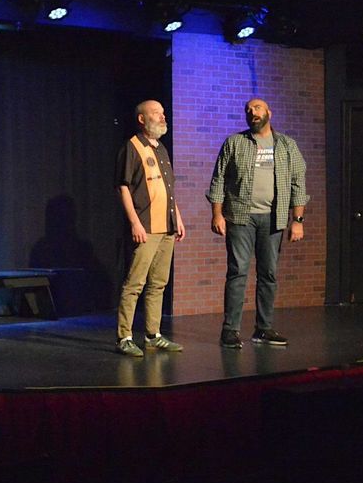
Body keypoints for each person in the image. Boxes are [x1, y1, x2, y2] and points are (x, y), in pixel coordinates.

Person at [207, 97, 309, 348]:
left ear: (269, 113)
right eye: (248, 110)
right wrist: (217, 214)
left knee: (269, 274)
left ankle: (263, 329)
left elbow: (298, 183)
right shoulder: (234, 142)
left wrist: (297, 220)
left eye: (257, 108)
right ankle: (230, 330)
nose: (252, 112)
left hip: (273, 219)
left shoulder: (287, 145)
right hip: (240, 217)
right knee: (237, 272)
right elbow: (218, 179)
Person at [114, 99, 185, 356]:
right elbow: (123, 186)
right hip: (146, 227)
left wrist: (178, 218)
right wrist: (135, 222)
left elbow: (167, 189)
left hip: (166, 227)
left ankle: (153, 335)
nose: (162, 116)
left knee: (158, 283)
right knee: (135, 283)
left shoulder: (161, 148)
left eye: (163, 113)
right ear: (142, 119)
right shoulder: (132, 147)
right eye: (156, 113)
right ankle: (124, 337)